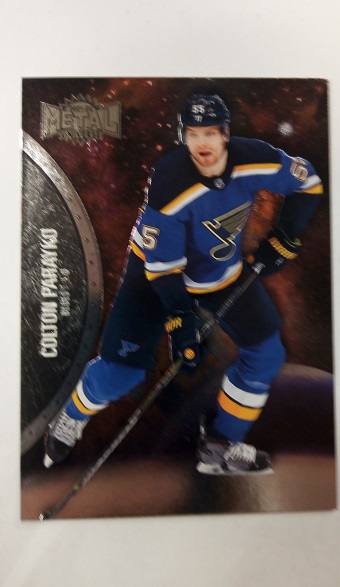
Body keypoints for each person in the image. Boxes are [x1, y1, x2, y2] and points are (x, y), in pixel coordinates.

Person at [43, 93, 323, 474]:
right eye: (193, 134)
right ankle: (73, 415)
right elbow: (164, 269)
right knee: (121, 373)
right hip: (154, 274)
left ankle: (220, 445)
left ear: (225, 134)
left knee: (266, 355)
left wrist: (286, 236)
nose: (202, 143)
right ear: (183, 137)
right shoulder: (170, 180)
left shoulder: (257, 158)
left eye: (210, 133)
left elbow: (308, 181)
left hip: (219, 271)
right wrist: (182, 323)